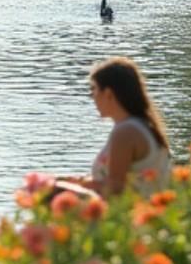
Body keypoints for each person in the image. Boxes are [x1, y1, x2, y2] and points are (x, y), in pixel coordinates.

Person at [64, 58, 171, 199]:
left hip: (130, 215)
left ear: (108, 93)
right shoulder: (143, 125)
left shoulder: (125, 132)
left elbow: (116, 187)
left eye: (94, 89)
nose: (92, 97)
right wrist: (78, 181)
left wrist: (69, 189)